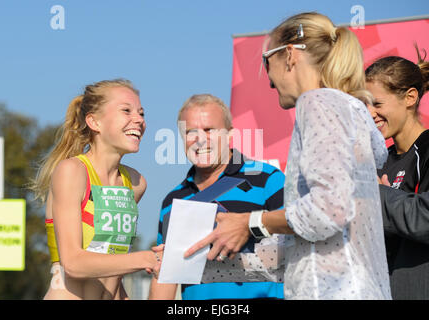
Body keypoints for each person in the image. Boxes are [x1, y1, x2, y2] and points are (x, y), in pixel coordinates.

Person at [184, 12, 392, 300]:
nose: (268, 79)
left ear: (290, 55)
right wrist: (189, 264)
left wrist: (251, 222)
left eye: (266, 61)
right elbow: (299, 253)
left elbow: (328, 211)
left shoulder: (317, 102)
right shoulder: (348, 110)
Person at [31, 79, 163, 300]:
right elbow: (73, 263)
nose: (139, 120)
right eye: (126, 111)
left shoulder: (135, 182)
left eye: (141, 113)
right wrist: (145, 259)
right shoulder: (72, 171)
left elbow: (111, 267)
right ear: (94, 122)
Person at [148, 94, 285, 300]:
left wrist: (247, 226)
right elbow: (165, 278)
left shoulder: (268, 180)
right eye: (190, 132)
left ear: (230, 135)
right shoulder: (172, 201)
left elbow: (301, 241)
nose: (200, 139)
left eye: (209, 130)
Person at [365, 48, 429, 299]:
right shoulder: (376, 162)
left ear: (410, 97)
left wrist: (376, 194)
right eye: (365, 104)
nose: (370, 113)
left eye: (377, 104)